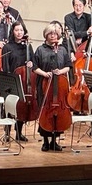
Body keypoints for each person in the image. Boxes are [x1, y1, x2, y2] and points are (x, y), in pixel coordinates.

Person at [33, 23, 72, 151]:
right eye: (50, 33)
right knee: (45, 111)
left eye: (55, 34)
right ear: (46, 35)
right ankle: (45, 141)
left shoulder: (62, 50)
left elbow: (68, 66)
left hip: (59, 86)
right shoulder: (40, 49)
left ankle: (54, 141)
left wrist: (60, 72)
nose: (53, 36)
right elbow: (34, 67)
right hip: (44, 84)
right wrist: (45, 74)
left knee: (58, 112)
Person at [2, 21, 33, 142]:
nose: (19, 33)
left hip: (24, 81)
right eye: (17, 30)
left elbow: (33, 62)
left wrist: (31, 63)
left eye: (21, 30)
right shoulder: (7, 47)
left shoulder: (27, 46)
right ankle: (7, 133)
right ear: (13, 32)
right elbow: (5, 66)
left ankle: (19, 133)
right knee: (10, 107)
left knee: (22, 107)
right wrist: (8, 80)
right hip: (12, 80)